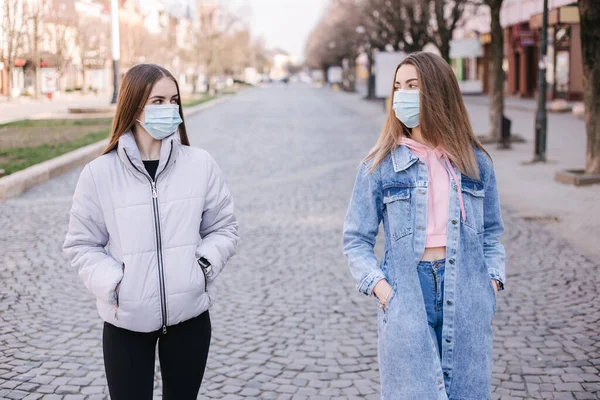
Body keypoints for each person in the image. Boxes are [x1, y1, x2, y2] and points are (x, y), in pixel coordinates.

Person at [63, 64, 239, 400]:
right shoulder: (99, 174)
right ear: (133, 107)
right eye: (157, 101)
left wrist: (200, 270)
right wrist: (116, 283)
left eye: (173, 100)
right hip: (126, 323)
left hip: (190, 319)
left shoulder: (200, 164)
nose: (169, 109)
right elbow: (81, 244)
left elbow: (223, 228)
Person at [342, 52, 505, 399]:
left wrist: (490, 283)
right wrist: (384, 291)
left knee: (467, 392)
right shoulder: (379, 165)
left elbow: (492, 233)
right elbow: (356, 240)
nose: (402, 95)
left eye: (412, 86)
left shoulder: (475, 163)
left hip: (467, 293)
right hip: (408, 294)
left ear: (437, 91)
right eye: (398, 86)